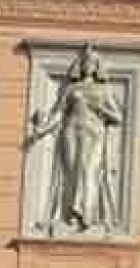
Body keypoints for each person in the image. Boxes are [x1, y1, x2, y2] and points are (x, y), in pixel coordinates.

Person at [28, 42, 123, 236]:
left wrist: (99, 109)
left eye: (92, 63)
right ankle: (70, 216)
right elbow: (58, 113)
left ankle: (86, 216)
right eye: (85, 62)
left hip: (93, 133)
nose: (88, 66)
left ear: (97, 67)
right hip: (70, 131)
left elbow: (117, 117)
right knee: (71, 172)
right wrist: (42, 129)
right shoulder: (71, 89)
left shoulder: (103, 91)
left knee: (88, 171)